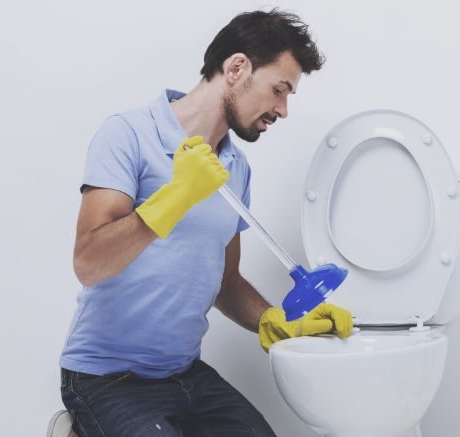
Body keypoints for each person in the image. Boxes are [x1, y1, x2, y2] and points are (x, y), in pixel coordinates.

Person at [55, 9, 353, 437]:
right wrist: (174, 197)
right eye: (279, 89)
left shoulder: (236, 167)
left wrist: (275, 322)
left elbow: (225, 282)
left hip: (183, 374)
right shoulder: (128, 135)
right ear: (236, 68)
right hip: (106, 378)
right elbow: (89, 262)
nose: (283, 110)